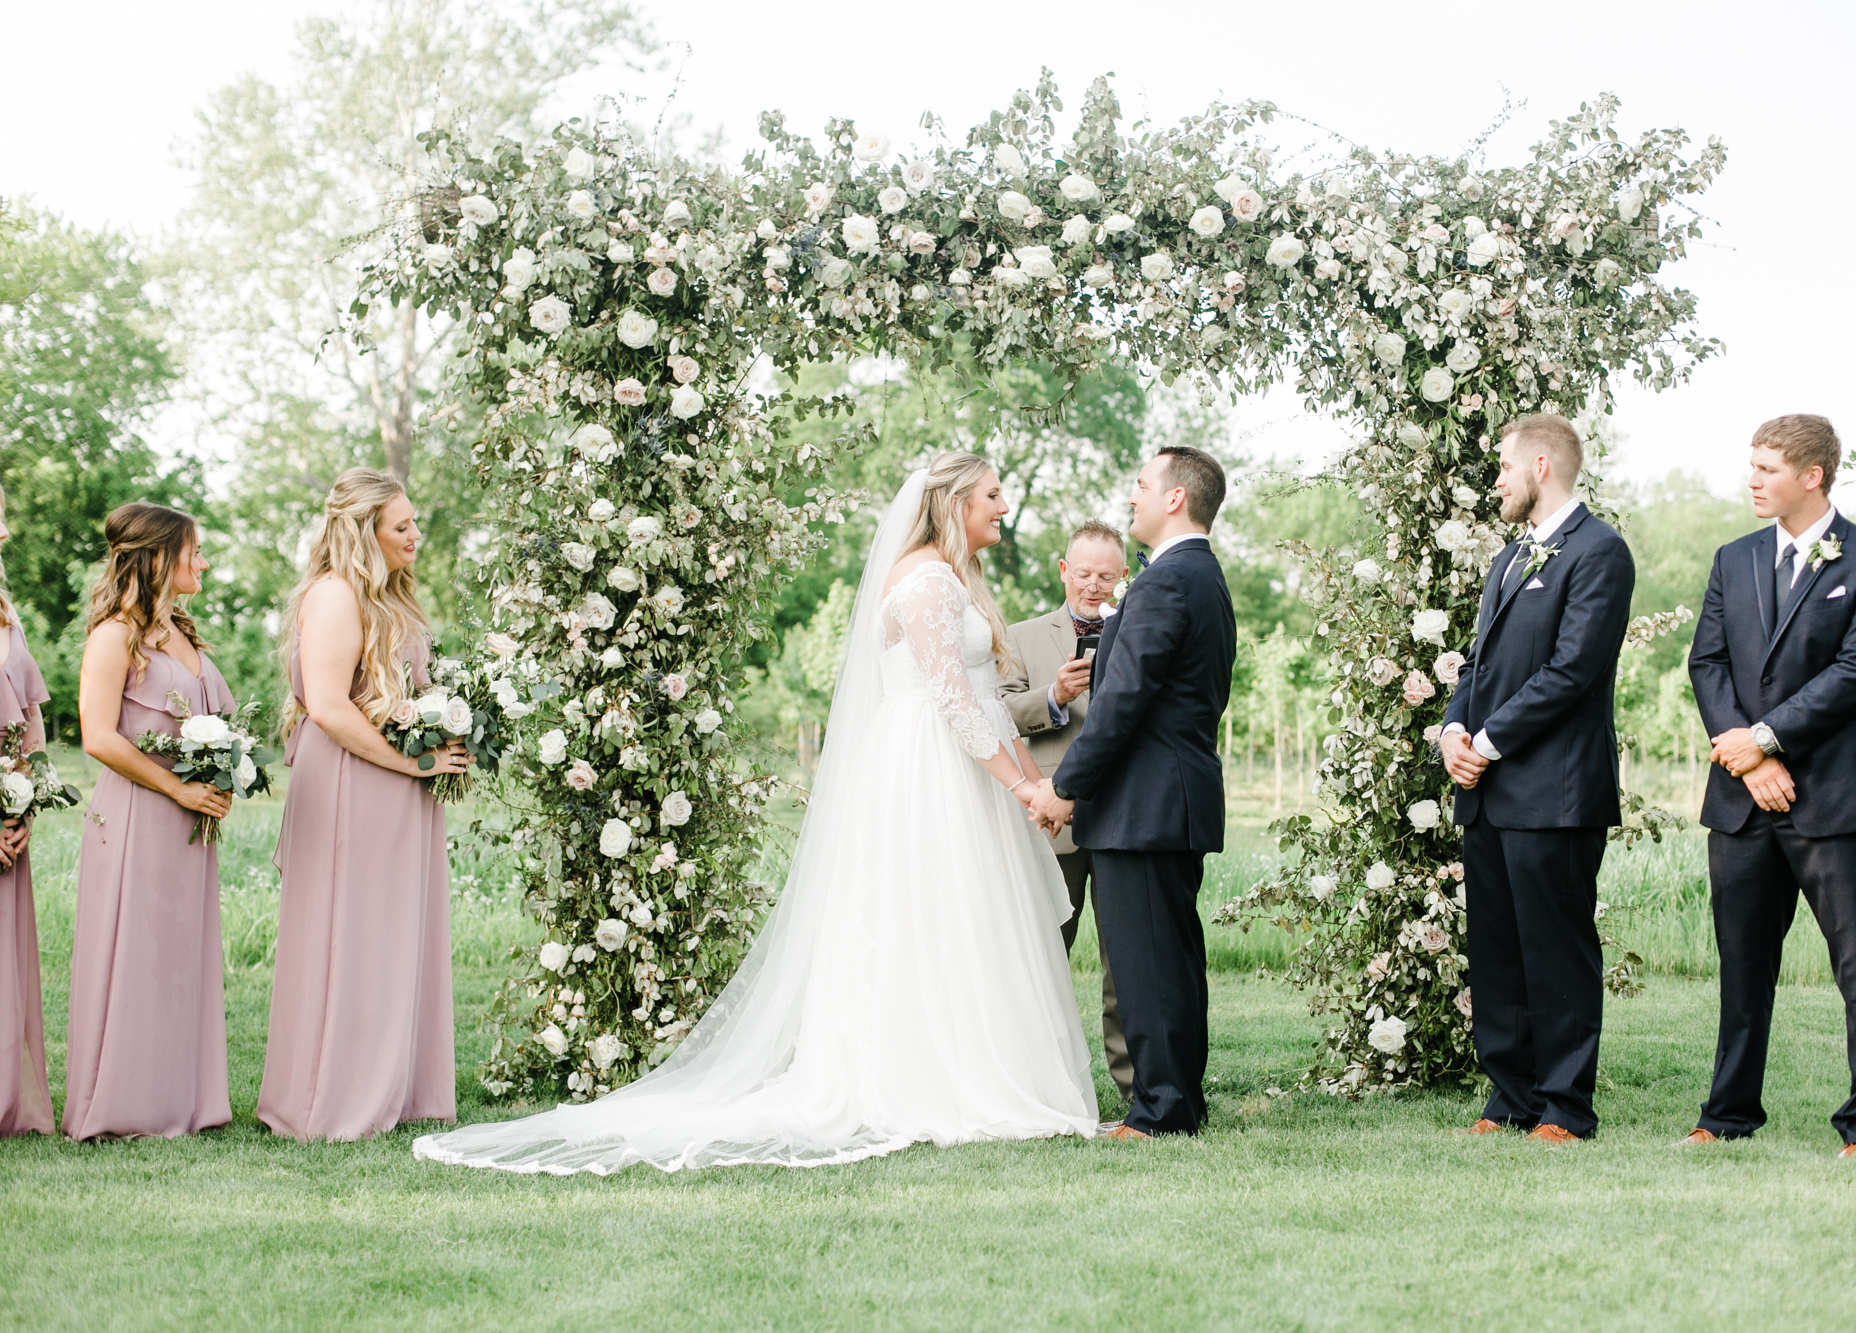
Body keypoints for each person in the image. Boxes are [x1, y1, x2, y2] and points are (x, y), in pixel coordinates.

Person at [412, 452, 1096, 1175]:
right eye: (992, 493)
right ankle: (932, 1078)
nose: (1004, 504)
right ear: (957, 501)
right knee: (926, 916)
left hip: (971, 766)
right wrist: (1022, 788)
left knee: (970, 919)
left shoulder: (959, 577)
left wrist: (1033, 785)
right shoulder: (924, 579)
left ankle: (980, 1062)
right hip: (929, 768)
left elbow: (989, 697)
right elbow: (953, 701)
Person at [1684, 414, 1856, 1157]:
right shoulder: (1733, 557)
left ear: (1813, 475)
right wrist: (1748, 758)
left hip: (1838, 799)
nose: (1752, 480)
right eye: (1751, 466)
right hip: (1743, 802)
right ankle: (1727, 1115)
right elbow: (1707, 664)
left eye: (1768, 468)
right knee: (1743, 966)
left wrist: (1769, 738)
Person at [1030, 448, 1237, 1140]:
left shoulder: (1166, 583)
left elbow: (1120, 705)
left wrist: (1064, 789)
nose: (1133, 497)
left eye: (1142, 485)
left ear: (1175, 498)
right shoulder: (1201, 576)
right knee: (1170, 957)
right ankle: (1179, 1097)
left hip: (1143, 806)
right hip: (1170, 798)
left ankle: (1160, 1109)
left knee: (1149, 964)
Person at [1441, 413, 1634, 1144]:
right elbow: (1478, 662)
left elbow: (1572, 672)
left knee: (1556, 950)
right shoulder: (1508, 557)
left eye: (1503, 466)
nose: (1496, 479)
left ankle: (1565, 1107)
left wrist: (1487, 742)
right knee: (1497, 949)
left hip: (1555, 791)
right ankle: (1510, 1095)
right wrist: (1456, 731)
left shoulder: (1600, 552)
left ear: (1542, 465)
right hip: (1488, 792)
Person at [258, 469, 468, 1141]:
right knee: (349, 932)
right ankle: (336, 1094)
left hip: (399, 783)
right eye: (401, 525)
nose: (415, 535)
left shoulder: (393, 601)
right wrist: (412, 760)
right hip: (353, 778)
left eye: (413, 522)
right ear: (364, 531)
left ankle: (397, 1085)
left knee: (392, 932)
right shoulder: (334, 596)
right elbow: (326, 707)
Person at [64, 503, 237, 1140]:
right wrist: (177, 790)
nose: (205, 562)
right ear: (159, 556)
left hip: (189, 819)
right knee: (134, 949)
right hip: (139, 812)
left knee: (178, 954)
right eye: (195, 550)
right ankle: (124, 1104)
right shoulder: (114, 635)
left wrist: (221, 770)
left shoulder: (185, 634)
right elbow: (98, 737)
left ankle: (184, 1102)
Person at [998, 520, 1134, 1102]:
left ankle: (1137, 1090)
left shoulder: (1138, 631)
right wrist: (1053, 697)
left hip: (1126, 815)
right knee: (1041, 955)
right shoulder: (1023, 635)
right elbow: (995, 713)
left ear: (1122, 576)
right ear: (1063, 570)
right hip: (1052, 821)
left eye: (1106, 575)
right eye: (1084, 573)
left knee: (1125, 966)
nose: (1094, 585)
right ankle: (1029, 1085)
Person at [0, 489, 54, 1137]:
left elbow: (31, 719)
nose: (7, 528)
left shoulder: (8, 611)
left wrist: (24, 800)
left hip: (9, 810)